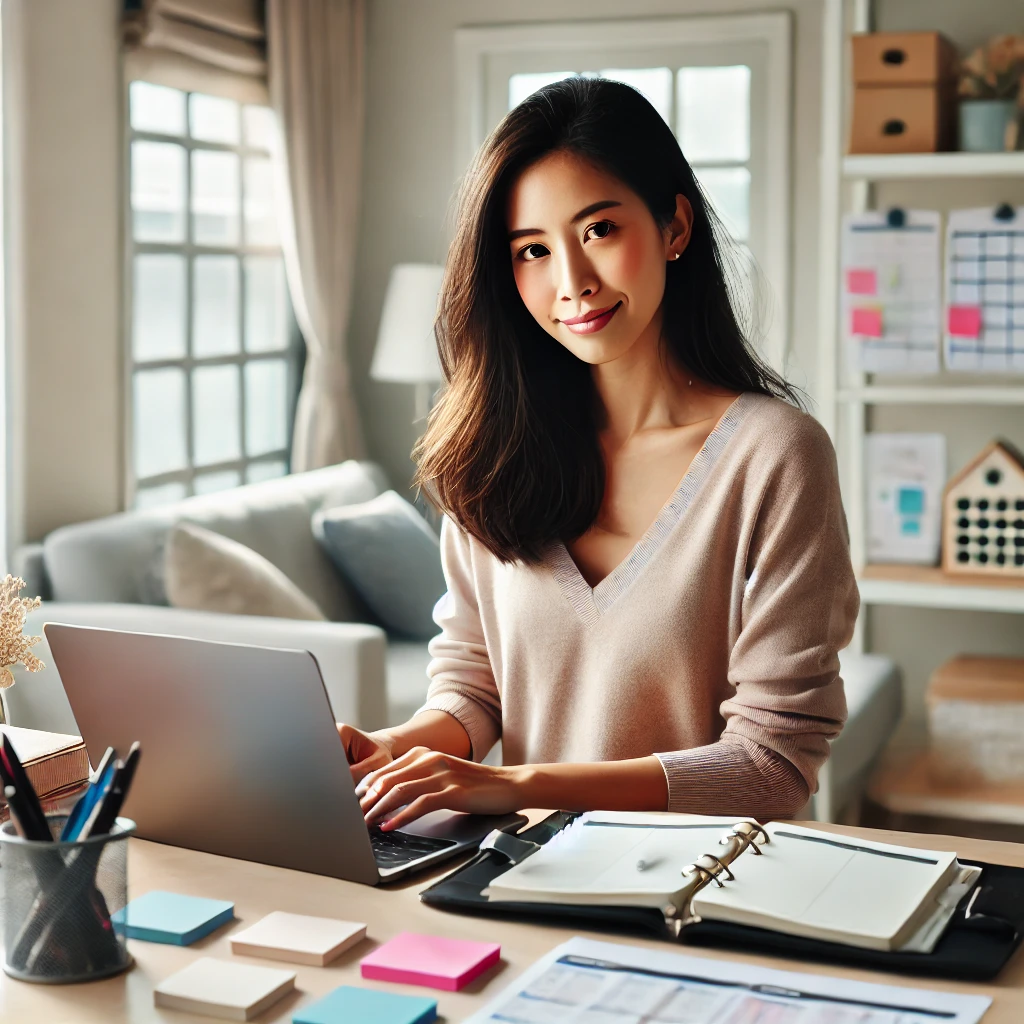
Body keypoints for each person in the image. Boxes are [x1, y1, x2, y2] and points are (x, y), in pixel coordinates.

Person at [340, 77, 859, 831]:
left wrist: (517, 786)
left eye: (598, 232)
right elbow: (477, 688)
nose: (572, 282)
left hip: (704, 901)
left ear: (675, 227)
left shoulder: (776, 456)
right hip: (520, 887)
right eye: (532, 250)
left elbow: (771, 766)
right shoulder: (490, 447)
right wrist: (388, 750)